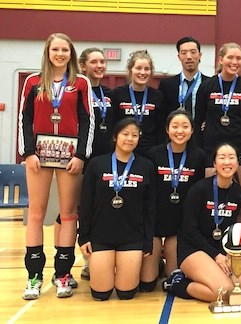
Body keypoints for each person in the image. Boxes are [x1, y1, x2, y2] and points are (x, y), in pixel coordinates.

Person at [19, 33, 93, 299]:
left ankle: (63, 275)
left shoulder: (81, 83)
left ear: (71, 54)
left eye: (65, 50)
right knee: (36, 214)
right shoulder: (33, 82)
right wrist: (28, 152)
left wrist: (81, 155)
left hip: (70, 157)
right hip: (38, 155)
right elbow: (25, 119)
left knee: (68, 214)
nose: (60, 54)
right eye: (55, 49)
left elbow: (87, 121)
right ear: (48, 53)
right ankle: (34, 277)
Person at [78, 117, 156, 301]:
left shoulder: (146, 166)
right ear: (115, 136)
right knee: (100, 294)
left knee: (126, 294)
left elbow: (150, 208)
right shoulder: (97, 164)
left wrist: (147, 240)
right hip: (101, 236)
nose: (130, 139)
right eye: (125, 134)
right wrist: (83, 237)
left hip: (132, 237)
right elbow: (85, 203)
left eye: (134, 135)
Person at [167, 143, 241, 302]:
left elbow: (236, 229)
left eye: (231, 157)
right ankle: (177, 283)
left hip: (221, 249)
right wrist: (216, 256)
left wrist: (232, 253)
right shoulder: (199, 189)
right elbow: (189, 230)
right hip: (194, 247)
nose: (227, 162)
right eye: (222, 158)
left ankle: (208, 277)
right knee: (222, 291)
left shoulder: (239, 193)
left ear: (237, 162)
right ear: (214, 163)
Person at [194, 43, 241, 218]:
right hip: (211, 150)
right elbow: (197, 122)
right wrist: (199, 152)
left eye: (239, 58)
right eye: (230, 57)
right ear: (221, 59)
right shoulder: (207, 86)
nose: (234, 61)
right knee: (210, 201)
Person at [144, 110, 206, 291]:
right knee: (147, 284)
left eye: (185, 127)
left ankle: (165, 265)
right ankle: (156, 264)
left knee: (173, 277)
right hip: (156, 220)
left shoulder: (199, 156)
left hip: (179, 225)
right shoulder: (153, 154)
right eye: (175, 126)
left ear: (192, 131)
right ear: (167, 129)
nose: (180, 131)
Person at [77, 47, 114, 282]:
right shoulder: (76, 90)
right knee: (77, 210)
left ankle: (99, 257)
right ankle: (78, 262)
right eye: (94, 62)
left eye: (102, 61)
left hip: (106, 158)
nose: (99, 66)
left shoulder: (110, 94)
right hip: (82, 158)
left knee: (102, 208)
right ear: (83, 66)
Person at [111, 50, 164, 159]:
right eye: (138, 68)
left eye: (146, 69)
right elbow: (112, 124)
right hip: (122, 150)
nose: (142, 72)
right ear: (130, 70)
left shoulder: (158, 96)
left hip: (150, 152)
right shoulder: (117, 93)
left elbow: (160, 129)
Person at [158, 36, 210, 119]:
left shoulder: (210, 84)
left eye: (193, 52)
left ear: (200, 55)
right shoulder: (166, 85)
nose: (189, 57)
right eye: (184, 52)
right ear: (179, 57)